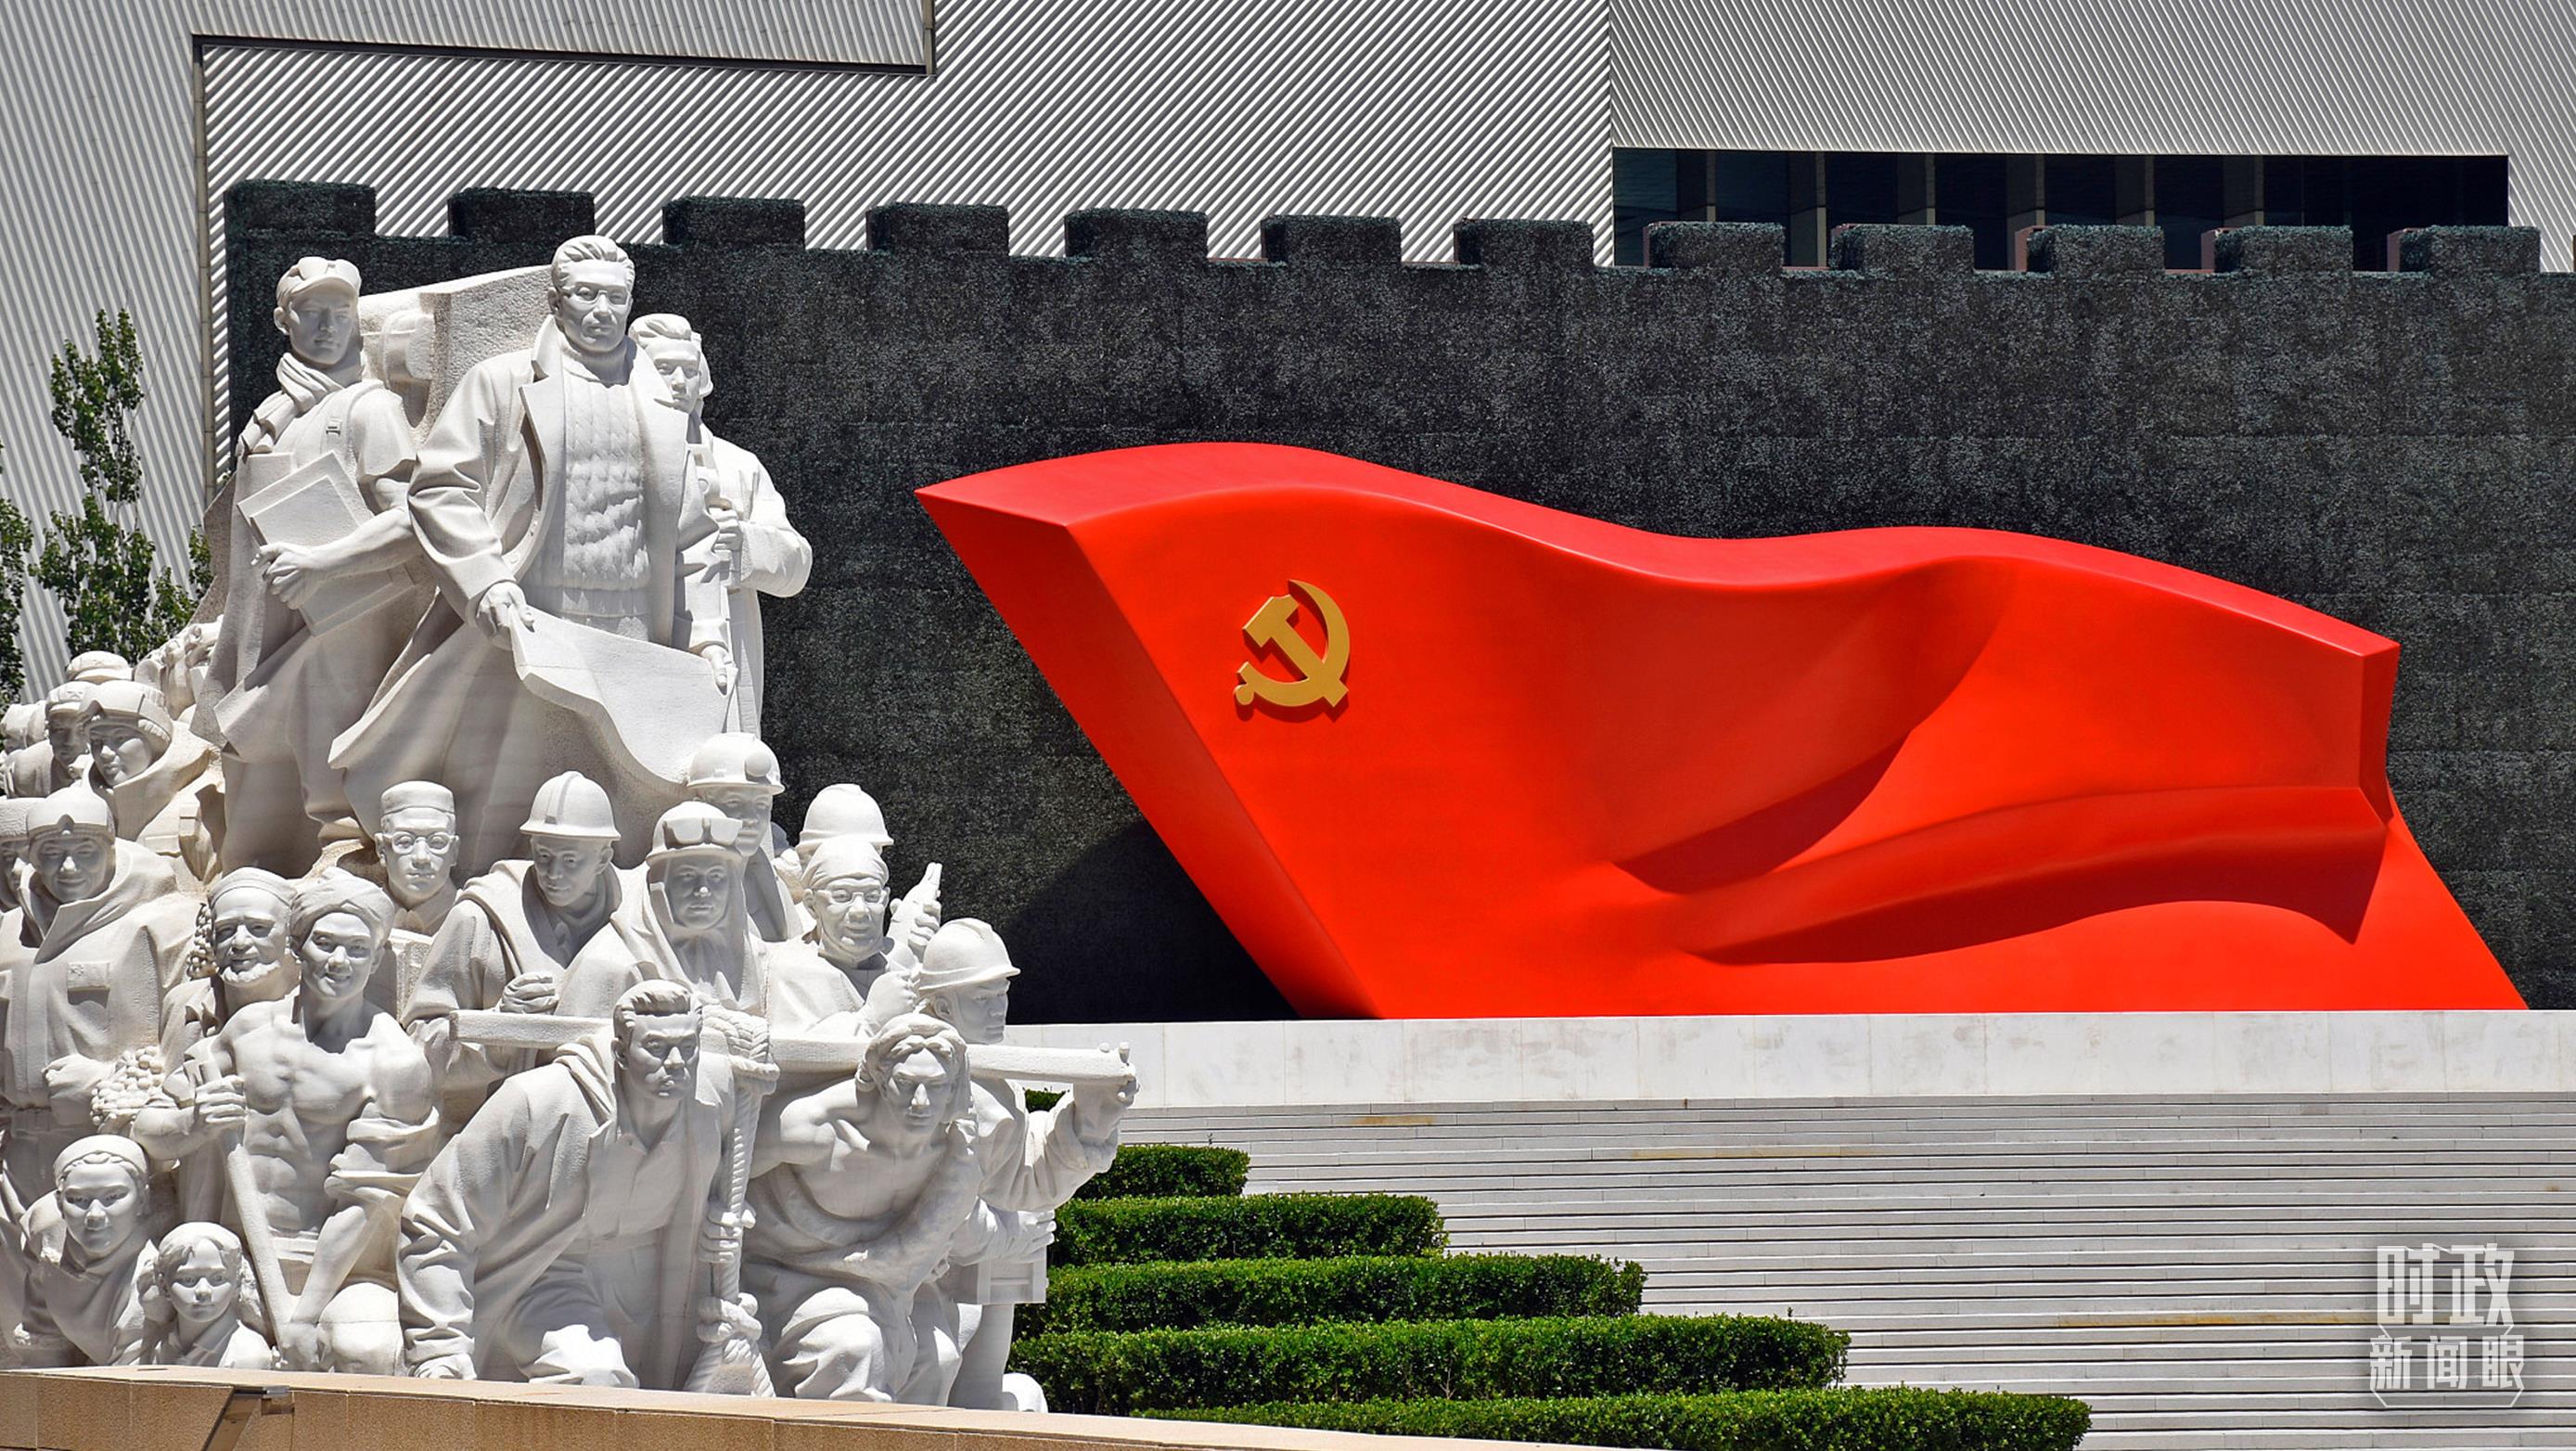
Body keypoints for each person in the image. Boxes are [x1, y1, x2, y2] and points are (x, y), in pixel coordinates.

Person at [328, 235, 731, 876]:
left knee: (624, 789)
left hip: (632, 625)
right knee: (505, 793)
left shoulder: (659, 397)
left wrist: (706, 633)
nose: (601, 310)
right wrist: (486, 583)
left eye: (615, 297)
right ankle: (482, 902)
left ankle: (611, 908)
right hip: (530, 615)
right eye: (585, 294)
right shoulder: (502, 382)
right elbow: (441, 488)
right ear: (554, 300)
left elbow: (694, 530)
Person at [133, 877, 439, 1372]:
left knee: (366, 1350)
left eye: (357, 949)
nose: (338, 961)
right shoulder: (246, 1031)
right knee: (208, 1351)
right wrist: (194, 1124)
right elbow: (147, 1128)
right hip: (228, 1260)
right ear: (297, 947)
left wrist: (306, 1314)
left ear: (378, 958)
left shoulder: (395, 1064)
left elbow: (364, 1203)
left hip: (336, 1272)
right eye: (325, 943)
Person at [200, 256, 427, 876]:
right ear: (283, 320)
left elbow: (412, 519)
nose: (328, 326)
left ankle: (346, 860)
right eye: (311, 312)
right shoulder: (273, 418)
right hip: (263, 633)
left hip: (338, 631)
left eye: (340, 312)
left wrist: (324, 564)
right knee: (251, 813)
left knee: (333, 790)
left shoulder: (368, 408)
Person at [398, 980, 726, 1387]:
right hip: (542, 1278)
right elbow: (437, 1217)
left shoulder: (711, 1100)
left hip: (654, 1298)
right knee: (595, 1377)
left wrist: (719, 1222)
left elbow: (749, 1166)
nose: (676, 1062)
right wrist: (440, 1348)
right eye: (656, 1047)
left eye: (688, 1048)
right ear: (621, 1053)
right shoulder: (538, 1104)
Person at [745, 1014, 1041, 1403]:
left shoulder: (955, 1146)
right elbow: (721, 1176)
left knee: (937, 1360)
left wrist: (1014, 1235)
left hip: (886, 1291)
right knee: (855, 1348)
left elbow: (970, 1218)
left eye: (936, 1087)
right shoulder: (814, 1127)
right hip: (786, 1279)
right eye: (907, 1084)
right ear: (879, 1078)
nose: (921, 1103)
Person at [911, 920, 1133, 1411]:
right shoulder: (916, 1079)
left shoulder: (990, 1069)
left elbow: (1019, 1178)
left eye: (1002, 994)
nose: (998, 1009)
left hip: (976, 1270)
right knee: (934, 1367)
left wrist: (1089, 1120)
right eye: (981, 998)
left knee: (983, 1401)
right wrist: (1008, 1235)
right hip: (914, 1281)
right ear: (942, 1006)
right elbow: (928, 1198)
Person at [5, 790, 194, 1201]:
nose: (68, 867)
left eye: (85, 851)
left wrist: (107, 1085)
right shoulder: (7, 933)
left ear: (111, 849)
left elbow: (192, 1040)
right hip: (15, 1157)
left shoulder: (164, 925)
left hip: (113, 1151)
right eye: (51, 853)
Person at [405, 772, 624, 1121]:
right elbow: (418, 1046)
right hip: (501, 1125)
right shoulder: (480, 916)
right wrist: (499, 1025)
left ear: (603, 859)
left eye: (570, 860)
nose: (553, 873)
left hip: (609, 1125)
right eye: (543, 856)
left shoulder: (635, 917)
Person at [631, 315, 810, 738]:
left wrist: (746, 546)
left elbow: (797, 565)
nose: (678, 382)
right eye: (664, 369)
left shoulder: (738, 465)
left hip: (729, 643)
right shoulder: (612, 458)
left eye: (688, 370)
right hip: (640, 635)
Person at [557, 803, 768, 1023]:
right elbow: (574, 1041)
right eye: (687, 876)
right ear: (659, 883)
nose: (703, 889)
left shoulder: (758, 960)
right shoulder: (610, 964)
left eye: (716, 876)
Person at [766, 835, 937, 1034]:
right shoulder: (794, 970)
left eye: (872, 896)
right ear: (812, 905)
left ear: (885, 900)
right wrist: (870, 1018)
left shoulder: (899, 964)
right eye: (841, 896)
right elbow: (793, 1047)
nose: (860, 911)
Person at [15, 1136, 157, 1367]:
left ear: (143, 1199)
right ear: (59, 1204)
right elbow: (42, 1339)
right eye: (78, 1199)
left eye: (113, 1197)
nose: (95, 1215)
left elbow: (132, 1377)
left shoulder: (151, 1276)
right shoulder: (46, 1233)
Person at [80, 681, 218, 885]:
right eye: (96, 741)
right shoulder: (82, 811)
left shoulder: (205, 803)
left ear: (155, 741)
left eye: (120, 738)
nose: (105, 753)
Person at [681, 735, 801, 942]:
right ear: (700, 805)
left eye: (762, 805)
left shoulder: (769, 880)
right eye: (734, 802)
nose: (752, 818)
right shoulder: (684, 886)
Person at [135, 1222, 274, 1368]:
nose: (203, 1291)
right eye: (188, 1279)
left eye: (218, 1278)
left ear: (237, 1281)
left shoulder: (248, 1355)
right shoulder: (162, 1344)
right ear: (163, 1285)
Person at [6, 683, 96, 799]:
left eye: (82, 730)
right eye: (59, 730)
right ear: (48, 732)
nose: (70, 741)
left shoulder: (113, 763)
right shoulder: (28, 771)